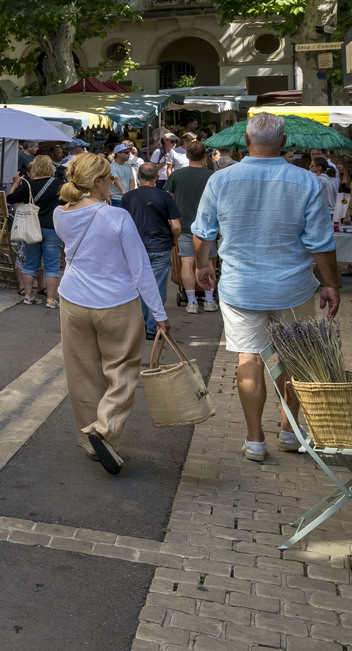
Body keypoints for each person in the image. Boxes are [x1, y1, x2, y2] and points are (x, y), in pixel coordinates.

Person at [192, 112, 340, 462]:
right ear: (284, 141)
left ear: (246, 140)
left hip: (241, 286)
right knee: (294, 358)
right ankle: (290, 430)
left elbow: (203, 232)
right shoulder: (307, 181)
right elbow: (321, 242)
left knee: (250, 359)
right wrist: (331, 285)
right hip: (293, 286)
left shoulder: (221, 180)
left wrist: (202, 264)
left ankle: (255, 439)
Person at [52, 153, 170, 475]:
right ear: (101, 181)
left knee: (83, 374)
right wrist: (158, 314)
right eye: (110, 181)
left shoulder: (59, 213)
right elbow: (141, 270)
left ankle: (93, 443)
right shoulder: (116, 217)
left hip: (73, 300)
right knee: (122, 370)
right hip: (117, 303)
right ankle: (103, 431)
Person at [120, 163, 181, 339]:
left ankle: (138, 325)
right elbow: (176, 226)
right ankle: (153, 327)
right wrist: (173, 241)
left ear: (138, 177)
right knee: (157, 286)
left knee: (137, 285)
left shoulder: (128, 198)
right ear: (157, 178)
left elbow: (121, 224)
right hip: (160, 246)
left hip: (135, 247)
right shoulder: (165, 197)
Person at [166, 142, 217, 314]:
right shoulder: (212, 175)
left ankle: (192, 301)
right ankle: (209, 300)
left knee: (186, 263)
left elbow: (169, 199)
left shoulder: (177, 175)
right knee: (209, 262)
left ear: (186, 156)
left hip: (184, 225)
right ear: (204, 156)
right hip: (207, 227)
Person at [7, 156, 64, 307]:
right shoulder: (59, 184)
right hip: (52, 228)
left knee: (30, 262)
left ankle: (28, 296)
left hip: (32, 229)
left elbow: (10, 198)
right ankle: (51, 299)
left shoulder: (28, 184)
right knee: (52, 265)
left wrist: (15, 183)